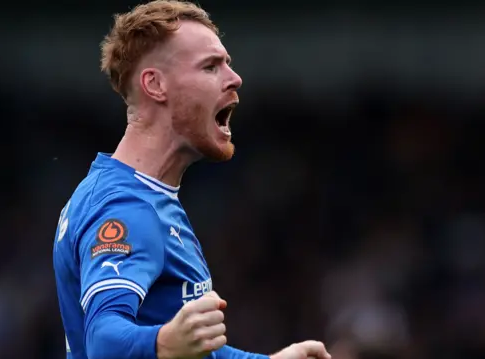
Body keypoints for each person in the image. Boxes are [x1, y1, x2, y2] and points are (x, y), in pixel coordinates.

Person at [52, 2, 332, 359]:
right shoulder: (125, 206)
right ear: (155, 84)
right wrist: (163, 343)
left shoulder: (152, 198)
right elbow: (103, 341)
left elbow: (192, 351)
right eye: (211, 66)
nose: (235, 78)